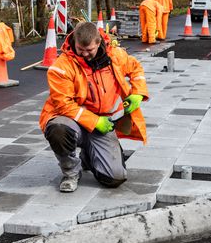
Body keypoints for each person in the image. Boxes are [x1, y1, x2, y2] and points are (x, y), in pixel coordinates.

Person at [40, 22, 149, 192]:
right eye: (79, 49)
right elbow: (63, 104)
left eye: (89, 50)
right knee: (58, 129)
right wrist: (95, 121)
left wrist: (138, 92)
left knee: (115, 178)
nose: (84, 54)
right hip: (73, 121)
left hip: (104, 123)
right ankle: (71, 173)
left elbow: (136, 68)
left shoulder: (115, 56)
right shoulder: (61, 67)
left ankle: (89, 156)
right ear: (74, 41)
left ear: (99, 43)